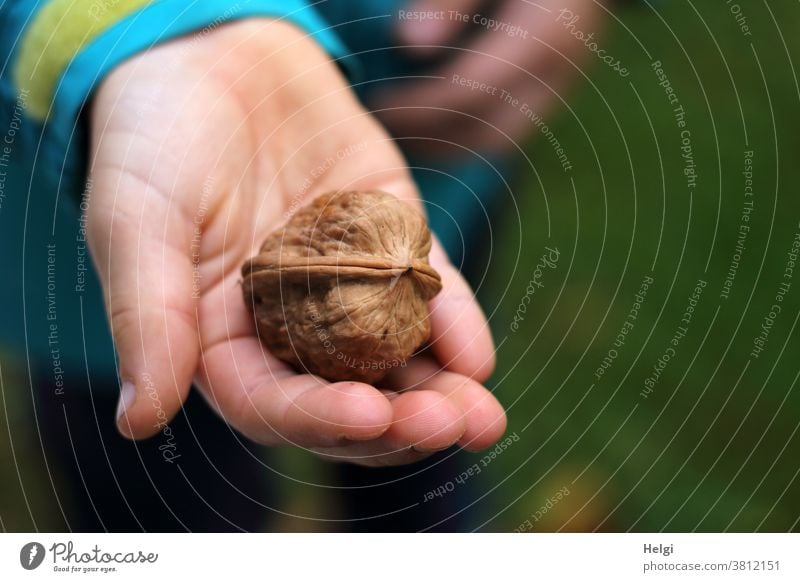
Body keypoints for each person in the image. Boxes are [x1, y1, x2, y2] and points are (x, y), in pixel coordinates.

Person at [0, 0, 603, 531]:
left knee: (419, 464)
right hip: (95, 274)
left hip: (438, 163)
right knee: (172, 504)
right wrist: (138, 25)